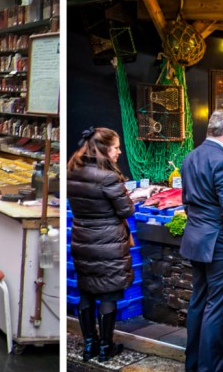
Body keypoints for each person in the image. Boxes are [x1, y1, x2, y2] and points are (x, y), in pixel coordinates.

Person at [177, 109, 223, 372]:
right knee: (217, 310)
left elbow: (187, 202)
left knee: (199, 303)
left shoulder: (190, 157)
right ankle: (211, 368)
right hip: (221, 246)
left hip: (196, 240)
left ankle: (194, 364)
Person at [67, 126, 134, 363]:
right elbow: (126, 209)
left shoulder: (72, 170)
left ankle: (88, 346)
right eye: (116, 147)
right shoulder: (108, 177)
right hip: (107, 243)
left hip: (82, 239)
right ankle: (105, 348)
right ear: (105, 149)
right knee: (107, 295)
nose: (119, 152)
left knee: (86, 292)